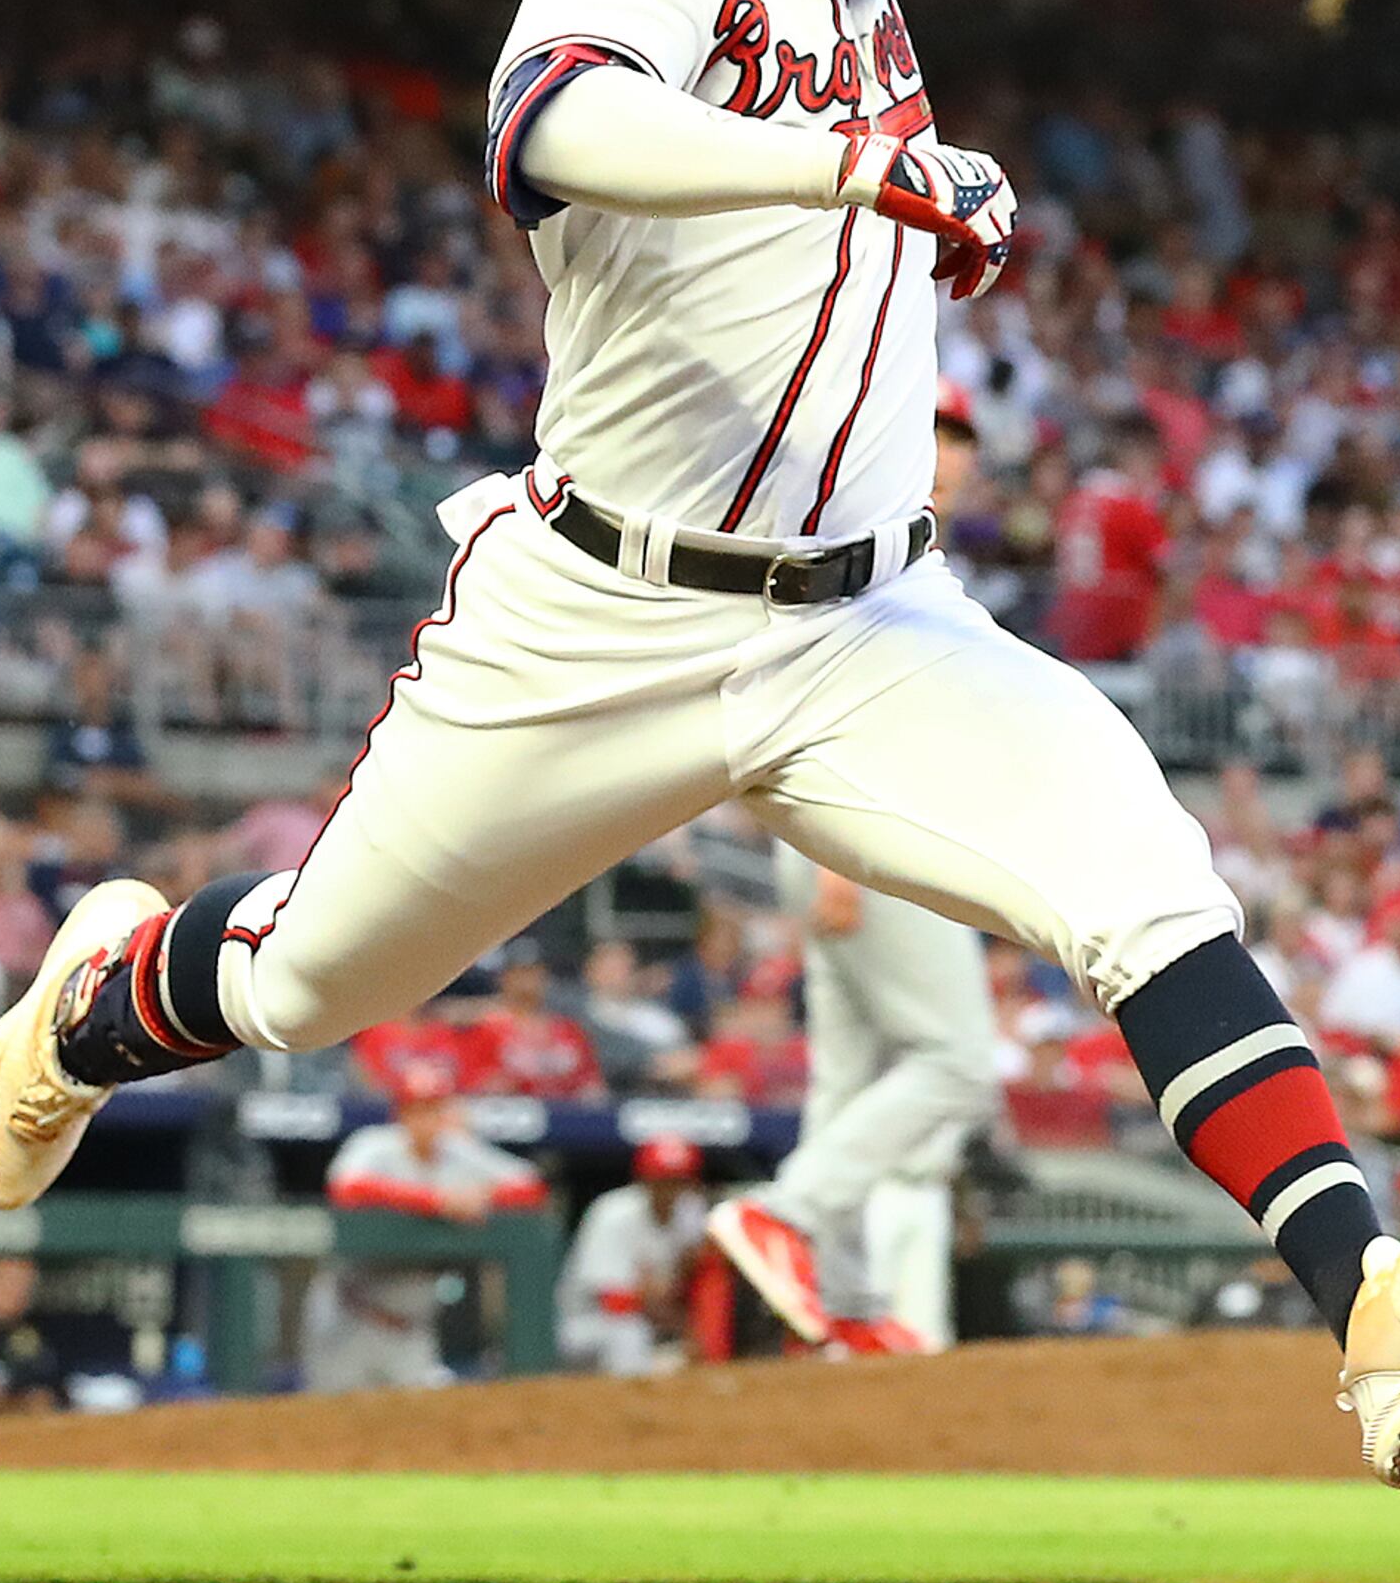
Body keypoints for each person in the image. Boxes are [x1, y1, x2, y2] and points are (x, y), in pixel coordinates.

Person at [0, 0, 1400, 1488]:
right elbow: (550, 124)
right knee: (310, 984)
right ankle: (86, 1009)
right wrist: (838, 176)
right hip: (599, 618)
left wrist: (904, 192)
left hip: (869, 623)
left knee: (1147, 884)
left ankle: (1376, 1311)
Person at [716, 382, 1009, 1357]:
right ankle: (789, 1214)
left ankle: (838, 1299)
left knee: (845, 1081)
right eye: (935, 429)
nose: (952, 450)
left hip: (859, 833)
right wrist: (829, 843)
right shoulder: (870, 532)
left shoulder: (890, 535)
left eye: (961, 434)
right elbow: (807, 676)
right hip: (865, 832)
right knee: (959, 1062)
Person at [310, 1057, 545, 1392]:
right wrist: (436, 1201)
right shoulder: (375, 1143)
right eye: (417, 1109)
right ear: (400, 1113)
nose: (426, 1119)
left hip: (412, 1329)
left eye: (434, 1108)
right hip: (351, 1315)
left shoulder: (458, 1150)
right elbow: (346, 1187)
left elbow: (531, 1186)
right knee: (327, 1421)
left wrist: (483, 1193)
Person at [559, 1136, 712, 1376]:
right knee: (628, 1333)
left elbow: (695, 1275)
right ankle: (631, 1404)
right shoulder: (612, 1213)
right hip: (585, 1325)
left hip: (655, 1324)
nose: (670, 1191)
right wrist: (679, 1320)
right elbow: (614, 1302)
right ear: (644, 1180)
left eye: (679, 1181)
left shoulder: (691, 1212)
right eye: (662, 1181)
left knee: (696, 1344)